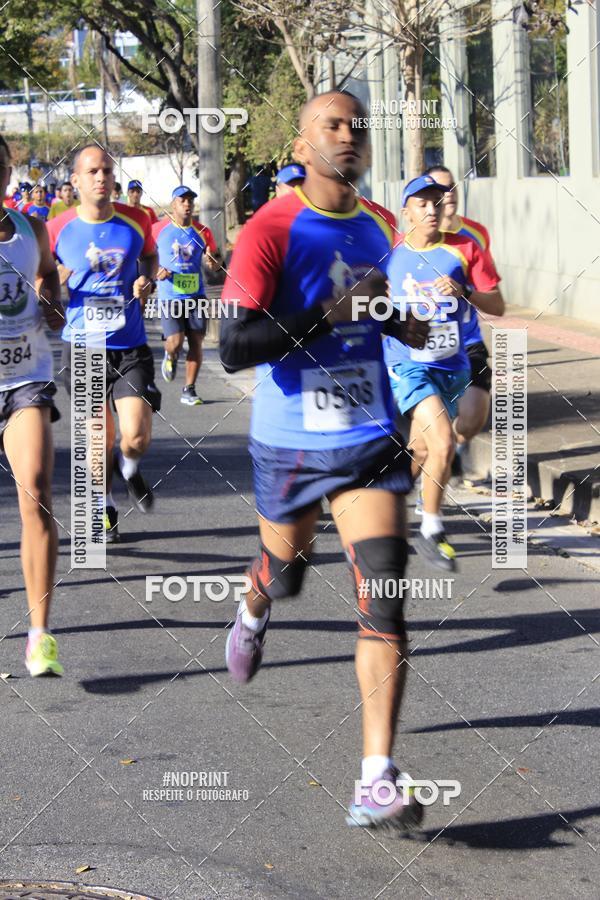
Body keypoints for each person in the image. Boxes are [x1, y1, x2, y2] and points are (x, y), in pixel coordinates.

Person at [220, 90, 430, 831]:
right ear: (302, 146)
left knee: (385, 597)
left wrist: (404, 321)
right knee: (288, 572)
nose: (348, 135)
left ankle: (376, 776)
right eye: (331, 125)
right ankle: (253, 609)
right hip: (292, 443)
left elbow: (383, 320)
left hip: (371, 436)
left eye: (356, 125)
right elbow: (236, 347)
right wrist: (328, 317)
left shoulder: (379, 228)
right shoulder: (268, 229)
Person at [383, 174, 503, 570]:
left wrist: (464, 291)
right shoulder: (389, 254)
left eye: (437, 201)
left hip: (454, 364)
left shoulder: (466, 249)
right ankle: (431, 529)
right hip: (406, 365)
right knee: (442, 444)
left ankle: (382, 500)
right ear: (407, 213)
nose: (432, 209)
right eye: (422, 203)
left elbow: (498, 305)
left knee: (422, 449)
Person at [47, 145, 159, 544]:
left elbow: (148, 257)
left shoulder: (136, 220)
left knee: (136, 435)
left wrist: (146, 280)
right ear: (75, 180)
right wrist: (53, 286)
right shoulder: (57, 229)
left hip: (130, 346)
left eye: (107, 171)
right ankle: (103, 508)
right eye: (93, 171)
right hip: (83, 347)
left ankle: (129, 469)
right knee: (98, 436)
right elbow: (40, 282)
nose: (102, 178)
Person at [0, 134, 65, 675]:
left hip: (26, 374)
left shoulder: (30, 228)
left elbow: (47, 273)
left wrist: (51, 303)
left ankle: (39, 633)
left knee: (36, 494)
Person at [423, 164, 497, 475]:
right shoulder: (408, 240)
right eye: (440, 191)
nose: (448, 195)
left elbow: (490, 294)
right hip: (425, 347)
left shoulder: (475, 234)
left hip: (467, 341)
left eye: (451, 187)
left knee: (471, 420)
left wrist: (465, 291)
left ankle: (445, 448)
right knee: (426, 436)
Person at [152, 185, 220, 406]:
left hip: (196, 296)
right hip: (170, 297)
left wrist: (215, 263)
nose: (188, 204)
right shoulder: (157, 230)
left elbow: (217, 262)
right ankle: (170, 356)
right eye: (182, 200)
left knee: (197, 343)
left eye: (191, 200)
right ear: (173, 205)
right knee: (175, 342)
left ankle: (189, 390)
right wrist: (155, 273)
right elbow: (143, 258)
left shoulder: (203, 231)